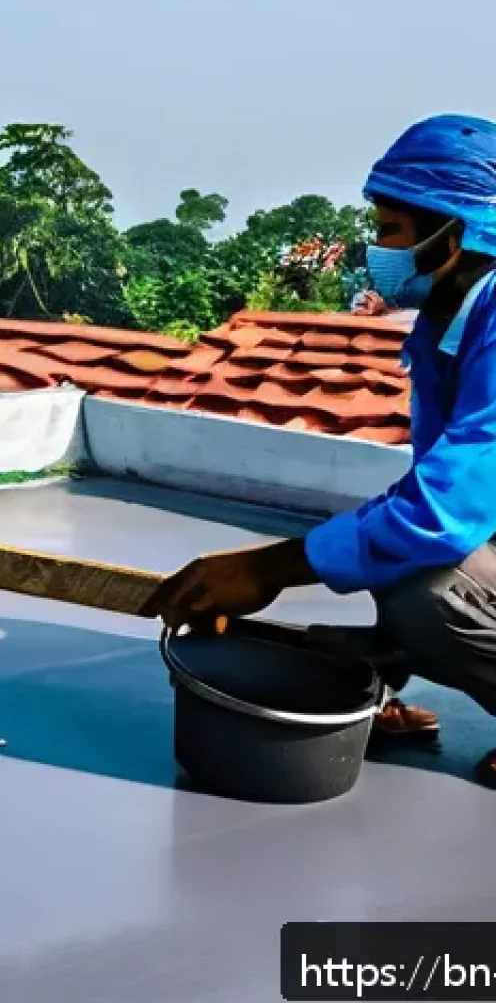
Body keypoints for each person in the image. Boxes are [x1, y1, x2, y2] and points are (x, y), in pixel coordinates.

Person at [142, 114, 496, 787]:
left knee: (429, 589)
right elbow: (436, 491)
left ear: (456, 233)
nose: (378, 249)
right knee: (389, 556)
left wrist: (272, 567)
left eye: (391, 230)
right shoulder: (446, 325)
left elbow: (447, 515)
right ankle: (374, 677)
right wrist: (373, 658)